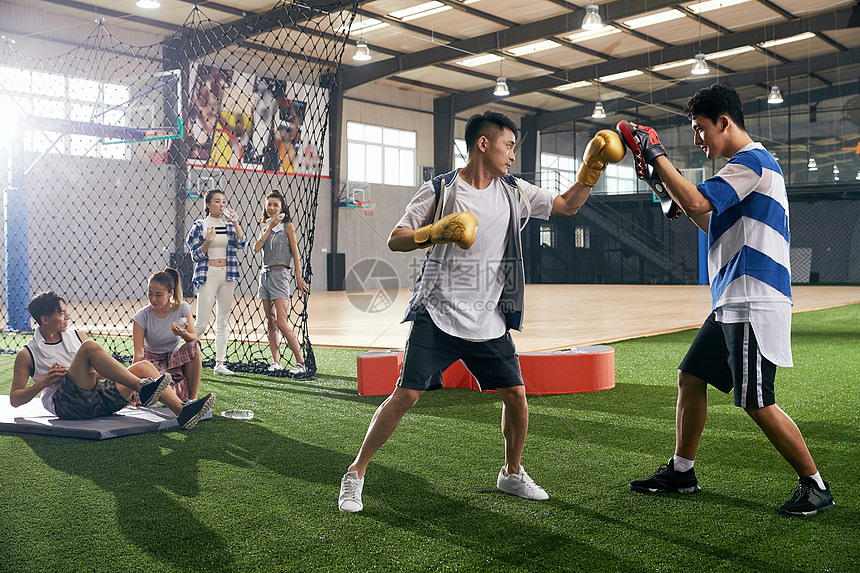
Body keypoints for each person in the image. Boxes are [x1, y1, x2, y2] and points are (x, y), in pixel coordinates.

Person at [337, 110, 626, 512]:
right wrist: (435, 231)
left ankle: (511, 472)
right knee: (405, 395)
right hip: (437, 314)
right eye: (508, 146)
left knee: (517, 398)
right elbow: (396, 239)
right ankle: (355, 473)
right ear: (483, 144)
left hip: (488, 317)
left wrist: (592, 168)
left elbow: (566, 205)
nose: (512, 155)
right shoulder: (439, 188)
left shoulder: (515, 190)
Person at [620, 84, 835, 516]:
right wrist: (665, 187)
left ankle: (815, 486)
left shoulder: (751, 162)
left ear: (724, 122)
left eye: (701, 129)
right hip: (732, 301)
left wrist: (657, 155)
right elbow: (706, 219)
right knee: (690, 377)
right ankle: (682, 471)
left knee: (757, 401)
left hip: (754, 299)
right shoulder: (742, 170)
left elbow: (699, 199)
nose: (698, 140)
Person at [11, 291, 214, 430]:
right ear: (45, 319)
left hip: (96, 399)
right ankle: (143, 388)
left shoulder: (77, 334)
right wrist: (45, 382)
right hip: (68, 405)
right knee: (89, 347)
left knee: (144, 366)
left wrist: (84, 372)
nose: (67, 316)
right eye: (61, 312)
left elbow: (98, 373)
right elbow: (15, 400)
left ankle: (182, 412)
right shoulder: (27, 354)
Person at [186, 188, 248, 376]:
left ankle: (219, 364)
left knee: (223, 321)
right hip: (208, 274)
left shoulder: (228, 225)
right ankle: (181, 359)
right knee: (202, 324)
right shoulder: (200, 225)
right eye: (217, 201)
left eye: (223, 201)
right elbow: (195, 255)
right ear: (207, 204)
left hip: (227, 275)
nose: (221, 204)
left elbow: (242, 243)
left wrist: (236, 222)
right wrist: (207, 241)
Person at [253, 190, 309, 375]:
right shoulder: (265, 228)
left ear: (282, 207)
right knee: (270, 322)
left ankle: (301, 363)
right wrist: (269, 228)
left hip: (281, 275)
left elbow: (295, 253)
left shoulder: (288, 226)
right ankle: (276, 362)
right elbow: (256, 248)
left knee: (283, 323)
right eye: (269, 204)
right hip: (265, 276)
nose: (271, 208)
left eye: (275, 205)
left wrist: (299, 277)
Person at [132, 268, 203, 401]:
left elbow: (193, 337)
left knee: (194, 346)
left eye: (158, 295)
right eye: (150, 293)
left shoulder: (182, 308)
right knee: (159, 391)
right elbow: (138, 356)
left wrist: (183, 333)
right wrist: (135, 387)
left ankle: (192, 400)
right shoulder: (141, 317)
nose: (153, 299)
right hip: (151, 362)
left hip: (172, 358)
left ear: (170, 293)